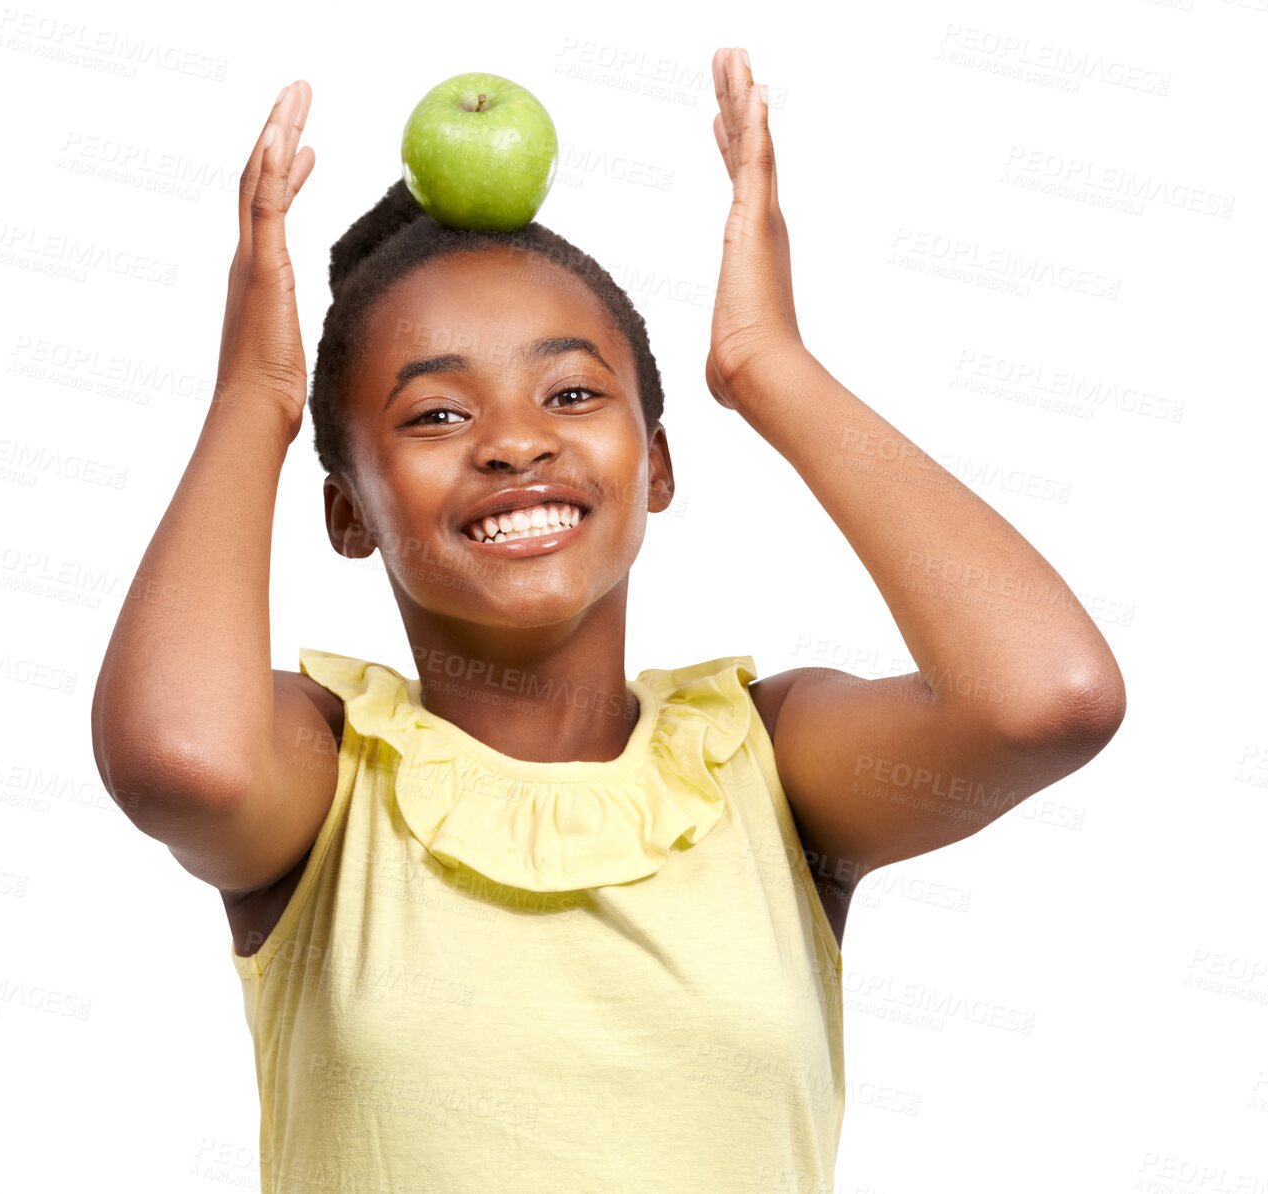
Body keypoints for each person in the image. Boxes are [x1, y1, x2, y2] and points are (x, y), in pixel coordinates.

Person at [90, 47, 1127, 1193]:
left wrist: (766, 365)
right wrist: (254, 400)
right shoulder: (325, 781)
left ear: (656, 465)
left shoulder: (766, 767)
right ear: (348, 513)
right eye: (434, 412)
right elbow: (175, 760)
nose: (514, 441)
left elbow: (1045, 699)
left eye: (573, 394)